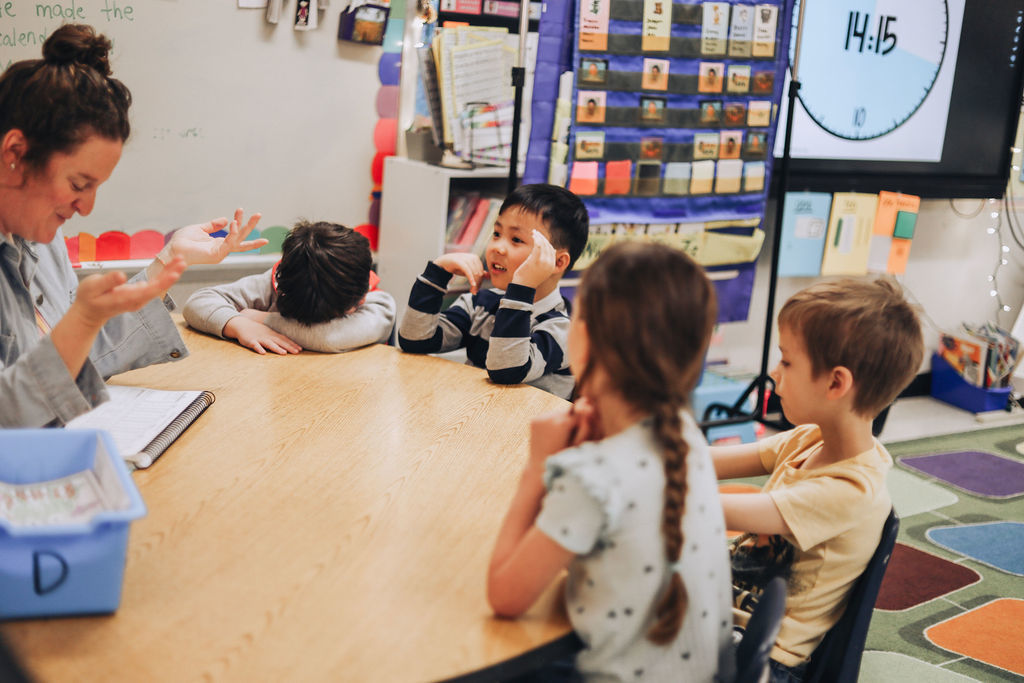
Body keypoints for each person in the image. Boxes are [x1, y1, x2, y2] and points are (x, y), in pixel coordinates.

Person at [486, 242, 735, 682]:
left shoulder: (593, 478)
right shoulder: (683, 433)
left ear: (588, 338)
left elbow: (504, 596)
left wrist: (538, 466)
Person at [0, 24, 265, 428]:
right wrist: (84, 321)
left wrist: (168, 259)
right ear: (15, 153)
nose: (86, 208)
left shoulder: (38, 236)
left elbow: (71, 364)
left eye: (96, 188)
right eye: (78, 184)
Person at [712, 278, 924, 682]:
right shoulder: (810, 437)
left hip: (762, 662)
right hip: (722, 615)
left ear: (835, 383)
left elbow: (709, 507)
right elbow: (704, 463)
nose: (773, 372)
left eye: (787, 361)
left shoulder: (849, 491)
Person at [397, 184, 588, 400]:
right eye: (497, 233)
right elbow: (416, 340)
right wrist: (438, 272)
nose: (498, 247)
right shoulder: (480, 304)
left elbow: (506, 370)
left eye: (516, 239)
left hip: (524, 431)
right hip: (474, 418)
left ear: (557, 261)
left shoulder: (563, 329)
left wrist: (522, 288)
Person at [183, 220, 395, 354]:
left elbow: (328, 338)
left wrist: (259, 319)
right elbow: (198, 302)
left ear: (362, 298)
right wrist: (238, 324)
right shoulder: (274, 282)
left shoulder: (379, 305)